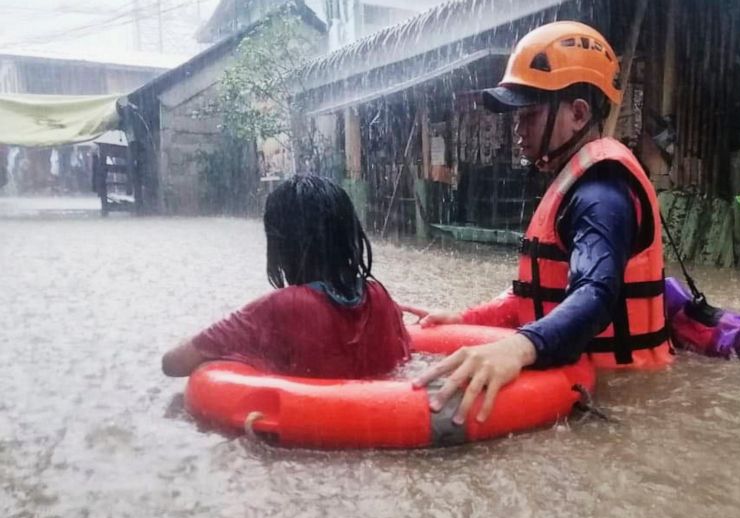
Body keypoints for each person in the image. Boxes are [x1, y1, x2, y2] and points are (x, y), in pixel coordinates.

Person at [405, 21, 672, 426]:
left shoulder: (601, 195)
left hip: (623, 397)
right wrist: (464, 319)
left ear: (578, 114)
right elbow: (535, 298)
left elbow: (597, 293)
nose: (517, 131)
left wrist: (518, 348)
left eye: (528, 116)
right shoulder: (576, 182)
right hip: (592, 380)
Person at [162, 175, 410, 378]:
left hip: (308, 434)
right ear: (350, 235)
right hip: (379, 421)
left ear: (280, 246)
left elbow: (173, 364)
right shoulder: (380, 298)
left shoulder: (282, 307)